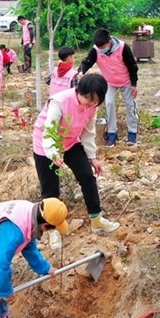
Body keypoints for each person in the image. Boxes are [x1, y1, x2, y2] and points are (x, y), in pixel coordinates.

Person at [33, 73, 120, 249]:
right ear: (79, 90)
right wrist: (53, 153)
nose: (89, 103)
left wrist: (92, 157)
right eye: (87, 98)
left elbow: (88, 132)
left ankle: (96, 219)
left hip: (71, 142)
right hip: (46, 145)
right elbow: (49, 129)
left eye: (94, 101)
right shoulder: (59, 101)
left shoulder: (92, 106)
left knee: (87, 176)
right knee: (50, 190)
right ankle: (52, 230)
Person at [78, 28, 140, 147]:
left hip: (126, 81)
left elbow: (132, 66)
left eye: (102, 47)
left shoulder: (122, 48)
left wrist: (133, 84)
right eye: (98, 48)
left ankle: (132, 133)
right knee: (109, 104)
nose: (100, 50)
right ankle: (112, 133)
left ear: (109, 42)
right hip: (109, 82)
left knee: (130, 105)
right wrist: (81, 71)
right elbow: (87, 62)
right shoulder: (96, 50)